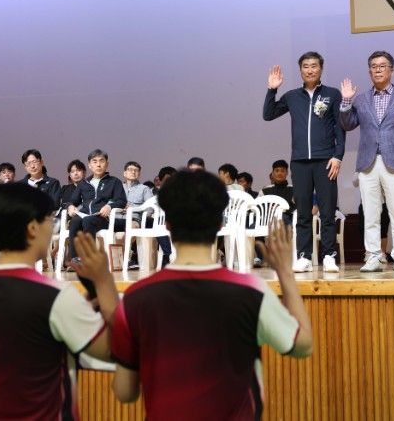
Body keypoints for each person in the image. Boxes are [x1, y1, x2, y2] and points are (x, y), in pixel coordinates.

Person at [110, 170, 312, 419]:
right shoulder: (250, 291)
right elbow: (302, 345)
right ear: (220, 223)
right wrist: (286, 274)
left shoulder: (135, 298)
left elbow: (125, 392)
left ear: (167, 224)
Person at [0, 182, 119, 420]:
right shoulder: (55, 296)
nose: (52, 229)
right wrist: (104, 282)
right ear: (33, 229)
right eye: (50, 222)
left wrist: (78, 309)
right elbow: (113, 349)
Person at [263, 51, 346, 273]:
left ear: (321, 69)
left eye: (314, 66)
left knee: (327, 210)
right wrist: (272, 89)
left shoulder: (332, 94)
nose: (310, 70)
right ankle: (304, 256)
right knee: (303, 212)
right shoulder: (292, 96)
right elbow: (268, 114)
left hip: (325, 160)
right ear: (300, 70)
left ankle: (329, 255)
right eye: (306, 66)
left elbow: (340, 128)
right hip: (299, 161)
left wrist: (338, 156)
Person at [340, 50, 394, 273]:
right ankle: (373, 256)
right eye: (374, 66)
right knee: (370, 213)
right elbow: (348, 124)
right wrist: (346, 100)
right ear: (370, 72)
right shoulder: (361, 99)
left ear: (391, 70)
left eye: (382, 66)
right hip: (368, 163)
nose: (378, 70)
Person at [66, 149, 126, 263]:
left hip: (103, 217)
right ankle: (75, 259)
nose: (98, 164)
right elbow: (72, 200)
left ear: (107, 164)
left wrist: (109, 207)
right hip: (85, 215)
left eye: (101, 161)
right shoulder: (83, 183)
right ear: (89, 165)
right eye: (94, 161)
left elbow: (121, 201)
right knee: (75, 221)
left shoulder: (114, 181)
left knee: (88, 220)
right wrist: (70, 206)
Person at [260, 160, 296, 225]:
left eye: (282, 171)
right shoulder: (264, 190)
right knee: (252, 226)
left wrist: (281, 209)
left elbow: (298, 207)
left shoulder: (293, 189)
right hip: (266, 220)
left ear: (287, 173)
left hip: (286, 220)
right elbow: (257, 207)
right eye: (277, 171)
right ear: (273, 173)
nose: (279, 173)